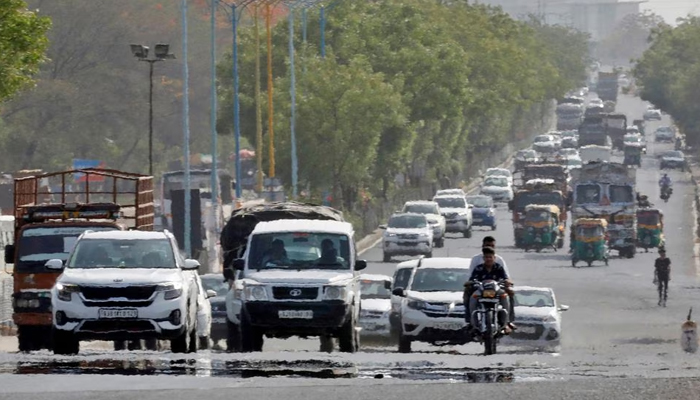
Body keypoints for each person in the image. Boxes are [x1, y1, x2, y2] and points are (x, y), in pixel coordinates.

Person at [464, 247, 515, 333]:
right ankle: (473, 324)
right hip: (481, 291)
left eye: (490, 257)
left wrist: (507, 282)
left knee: (505, 298)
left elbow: (505, 278)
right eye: (486, 257)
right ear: (483, 258)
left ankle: (506, 323)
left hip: (497, 291)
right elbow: (472, 279)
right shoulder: (478, 269)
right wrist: (470, 283)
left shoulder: (499, 268)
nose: (488, 259)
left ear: (494, 258)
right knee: (472, 299)